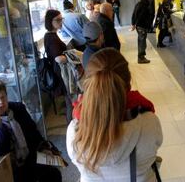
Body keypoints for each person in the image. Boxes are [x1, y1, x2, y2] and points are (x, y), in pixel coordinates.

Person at [66, 48, 163, 181]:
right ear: (128, 82)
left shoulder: (75, 131)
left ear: (88, 85)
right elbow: (152, 152)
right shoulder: (149, 122)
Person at [0, 79, 62, 182]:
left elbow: (33, 133)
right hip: (6, 170)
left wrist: (43, 147)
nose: (0, 102)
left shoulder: (17, 108)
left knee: (53, 174)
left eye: (3, 97)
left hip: (27, 160)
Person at [43, 9, 73, 122]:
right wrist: (72, 57)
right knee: (70, 101)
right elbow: (58, 58)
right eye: (58, 20)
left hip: (59, 72)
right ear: (50, 21)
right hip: (61, 74)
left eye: (62, 19)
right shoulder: (52, 38)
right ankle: (72, 125)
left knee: (69, 101)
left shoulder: (50, 35)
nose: (61, 22)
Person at [132, 0, 153, 64]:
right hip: (142, 26)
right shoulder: (145, 5)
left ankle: (141, 57)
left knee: (141, 41)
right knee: (142, 42)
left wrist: (134, 24)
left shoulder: (138, 4)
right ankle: (141, 58)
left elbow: (134, 14)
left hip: (139, 26)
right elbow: (142, 16)